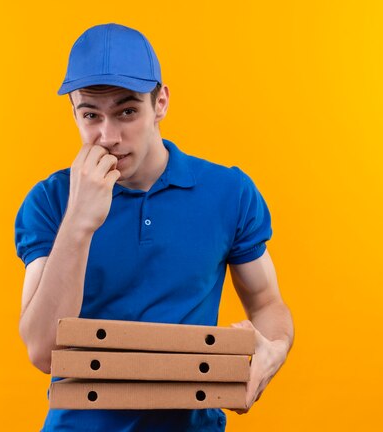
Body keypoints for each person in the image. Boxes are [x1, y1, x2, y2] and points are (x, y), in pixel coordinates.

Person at [15, 23, 294, 431]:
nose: (107, 136)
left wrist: (275, 349)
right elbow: (42, 350)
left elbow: (267, 302)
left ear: (160, 102)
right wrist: (78, 222)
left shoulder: (228, 191)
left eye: (127, 111)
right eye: (90, 115)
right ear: (73, 111)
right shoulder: (51, 201)